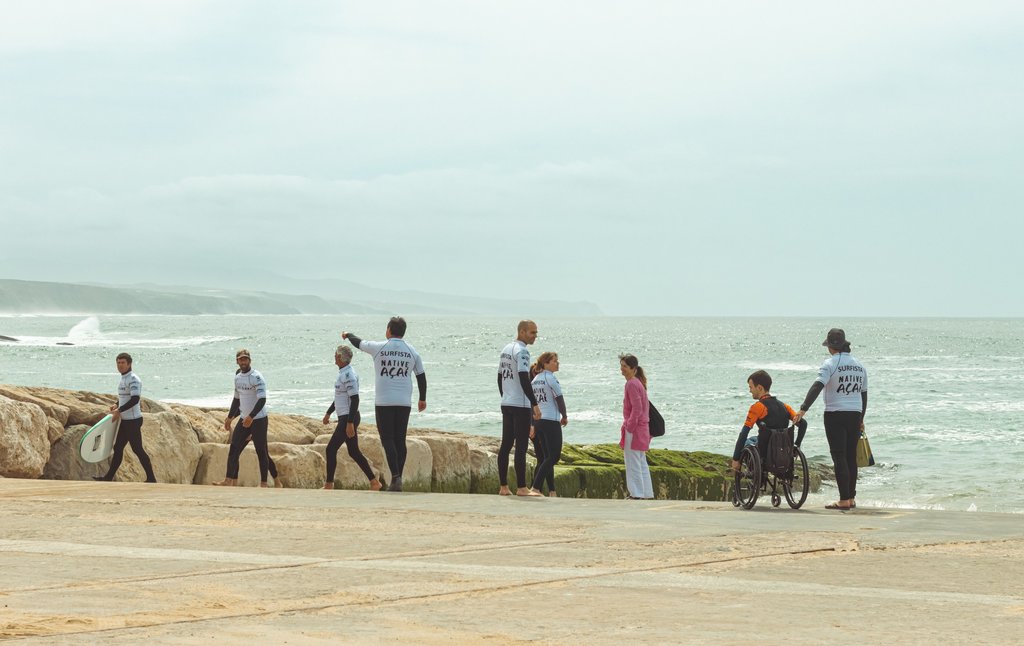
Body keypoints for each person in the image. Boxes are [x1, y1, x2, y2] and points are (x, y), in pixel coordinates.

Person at [341, 317, 426, 492]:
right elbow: (421, 376)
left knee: (387, 439)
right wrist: (422, 398)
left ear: (388, 330)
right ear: (403, 332)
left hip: (384, 402)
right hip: (404, 402)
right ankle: (398, 478)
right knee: (399, 439)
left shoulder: (379, 347)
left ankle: (395, 477)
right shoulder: (412, 351)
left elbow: (359, 343)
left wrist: (348, 334)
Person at [792, 328, 868, 510]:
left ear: (830, 346)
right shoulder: (860, 366)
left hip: (835, 414)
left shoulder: (830, 364)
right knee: (851, 457)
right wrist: (861, 418)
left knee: (839, 456)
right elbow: (863, 394)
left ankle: (843, 500)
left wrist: (803, 409)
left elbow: (817, 386)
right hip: (855, 413)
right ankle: (851, 498)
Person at [322, 345, 383, 492]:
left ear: (341, 358)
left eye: (336, 354)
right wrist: (329, 413)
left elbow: (355, 399)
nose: (334, 356)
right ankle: (374, 482)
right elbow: (339, 397)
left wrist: (349, 423)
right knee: (353, 452)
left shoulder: (348, 375)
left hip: (348, 418)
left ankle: (329, 485)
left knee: (331, 449)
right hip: (346, 417)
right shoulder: (343, 373)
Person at [93, 352, 157, 482]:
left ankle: (151, 478)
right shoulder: (124, 378)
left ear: (129, 364)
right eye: (118, 363)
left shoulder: (133, 379)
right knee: (118, 447)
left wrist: (119, 411)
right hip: (126, 420)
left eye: (123, 363)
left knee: (137, 449)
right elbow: (125, 397)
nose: (120, 365)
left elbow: (135, 399)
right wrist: (116, 404)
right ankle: (108, 477)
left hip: (133, 420)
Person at [213, 349, 272, 487]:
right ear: (237, 361)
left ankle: (264, 483)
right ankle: (228, 480)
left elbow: (262, 399)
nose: (243, 361)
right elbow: (236, 399)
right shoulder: (237, 377)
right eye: (241, 359)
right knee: (234, 448)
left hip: (259, 419)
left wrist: (251, 416)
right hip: (244, 419)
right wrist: (230, 417)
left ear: (250, 361)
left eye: (245, 359)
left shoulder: (256, 377)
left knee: (261, 450)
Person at [730, 370, 807, 472]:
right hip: (783, 449)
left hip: (765, 451)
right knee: (753, 439)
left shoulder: (757, 407)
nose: (750, 391)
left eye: (751, 387)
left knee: (747, 441)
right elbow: (803, 424)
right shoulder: (784, 406)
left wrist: (735, 459)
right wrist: (796, 445)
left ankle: (754, 473)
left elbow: (744, 432)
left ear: (760, 388)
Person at [497, 320, 541, 496]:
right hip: (520, 405)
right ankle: (522, 487)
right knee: (521, 446)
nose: (535, 336)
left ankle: (503, 487)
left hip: (507, 403)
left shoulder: (506, 349)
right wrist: (534, 404)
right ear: (522, 332)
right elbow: (524, 378)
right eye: (532, 333)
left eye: (536, 333)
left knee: (506, 445)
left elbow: (499, 378)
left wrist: (505, 395)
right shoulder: (522, 351)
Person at [529, 352, 568, 497]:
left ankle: (552, 491)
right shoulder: (550, 379)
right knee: (554, 457)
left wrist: (532, 424)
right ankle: (536, 487)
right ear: (545, 364)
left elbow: (531, 405)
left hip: (539, 421)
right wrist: (564, 415)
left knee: (546, 457)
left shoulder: (535, 380)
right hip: (551, 421)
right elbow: (559, 398)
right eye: (554, 361)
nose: (557, 363)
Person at [619, 354, 653, 500]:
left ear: (633, 368)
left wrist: (630, 426)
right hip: (643, 428)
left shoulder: (632, 384)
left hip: (635, 429)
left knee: (632, 462)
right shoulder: (638, 382)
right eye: (621, 366)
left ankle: (636, 493)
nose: (622, 370)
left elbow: (637, 408)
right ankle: (646, 493)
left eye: (625, 366)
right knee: (641, 461)